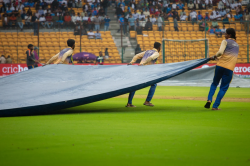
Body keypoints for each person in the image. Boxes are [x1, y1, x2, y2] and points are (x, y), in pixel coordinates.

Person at [205, 28, 239, 110]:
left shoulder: (225, 41)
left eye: (226, 34)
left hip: (220, 66)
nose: (224, 35)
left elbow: (220, 52)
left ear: (229, 35)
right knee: (223, 88)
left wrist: (214, 57)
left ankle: (209, 100)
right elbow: (229, 56)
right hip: (229, 69)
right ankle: (215, 106)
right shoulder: (237, 45)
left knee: (214, 84)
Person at [126, 42, 161, 107]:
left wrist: (131, 62)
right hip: (146, 71)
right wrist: (144, 63)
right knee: (154, 84)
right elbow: (150, 58)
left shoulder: (147, 51)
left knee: (135, 85)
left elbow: (136, 56)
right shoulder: (156, 53)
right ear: (159, 47)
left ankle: (129, 103)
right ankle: (147, 101)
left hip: (140, 70)